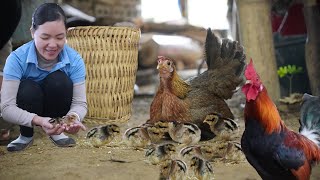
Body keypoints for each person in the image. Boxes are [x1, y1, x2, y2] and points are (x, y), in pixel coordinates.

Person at [1, 3, 87, 152]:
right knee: (27, 87)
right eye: (45, 37)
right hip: (29, 104)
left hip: (56, 106)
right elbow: (7, 108)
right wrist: (38, 120)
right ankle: (25, 135)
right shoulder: (16, 59)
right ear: (32, 33)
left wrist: (73, 118)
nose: (52, 45)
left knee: (60, 81)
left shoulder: (74, 59)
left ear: (66, 34)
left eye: (60, 37)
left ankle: (58, 131)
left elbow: (80, 103)